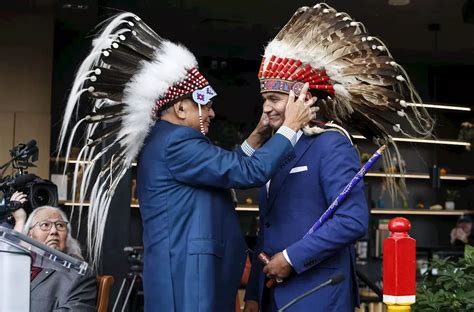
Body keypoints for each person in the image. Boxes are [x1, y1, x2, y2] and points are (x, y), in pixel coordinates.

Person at [57, 13, 317, 311]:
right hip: (189, 282)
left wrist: (258, 135)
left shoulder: (169, 142)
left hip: (189, 277)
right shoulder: (178, 142)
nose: (211, 114)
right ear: (181, 108)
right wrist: (290, 127)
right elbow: (249, 172)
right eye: (204, 106)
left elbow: (225, 168)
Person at [244, 3, 434, 311]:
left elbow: (352, 220)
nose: (267, 108)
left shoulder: (331, 144)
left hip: (317, 292)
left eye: (275, 99)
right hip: (271, 295)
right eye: (264, 99)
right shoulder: (273, 147)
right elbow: (265, 226)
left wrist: (291, 259)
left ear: (301, 97)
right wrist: (254, 294)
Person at [9, 192, 97, 312]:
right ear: (30, 234)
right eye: (45, 225)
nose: (54, 231)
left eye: (60, 225)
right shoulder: (19, 266)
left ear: (67, 236)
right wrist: (20, 220)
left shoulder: (78, 273)